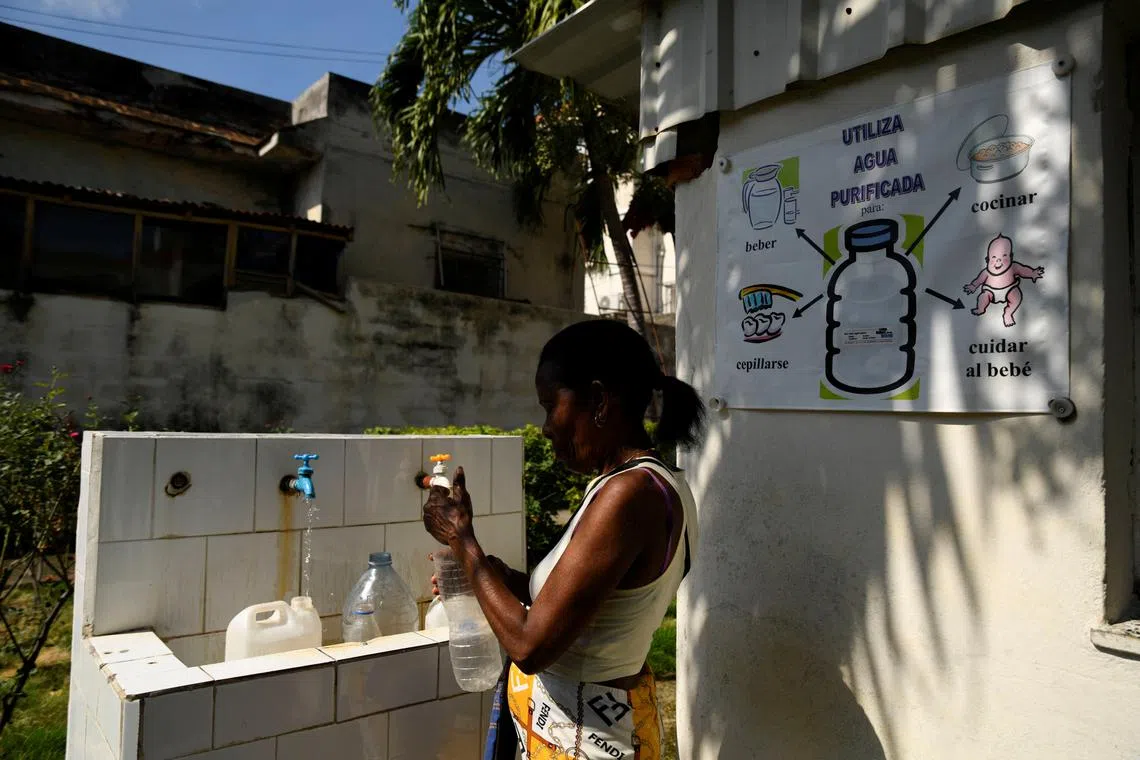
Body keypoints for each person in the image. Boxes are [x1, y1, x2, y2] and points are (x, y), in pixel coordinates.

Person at [422, 319, 704, 760]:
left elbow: (530, 646)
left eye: (550, 405)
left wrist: (464, 541)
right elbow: (581, 605)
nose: (546, 426)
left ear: (597, 400)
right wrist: (492, 576)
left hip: (587, 742)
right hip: (583, 731)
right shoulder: (645, 482)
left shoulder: (628, 495)